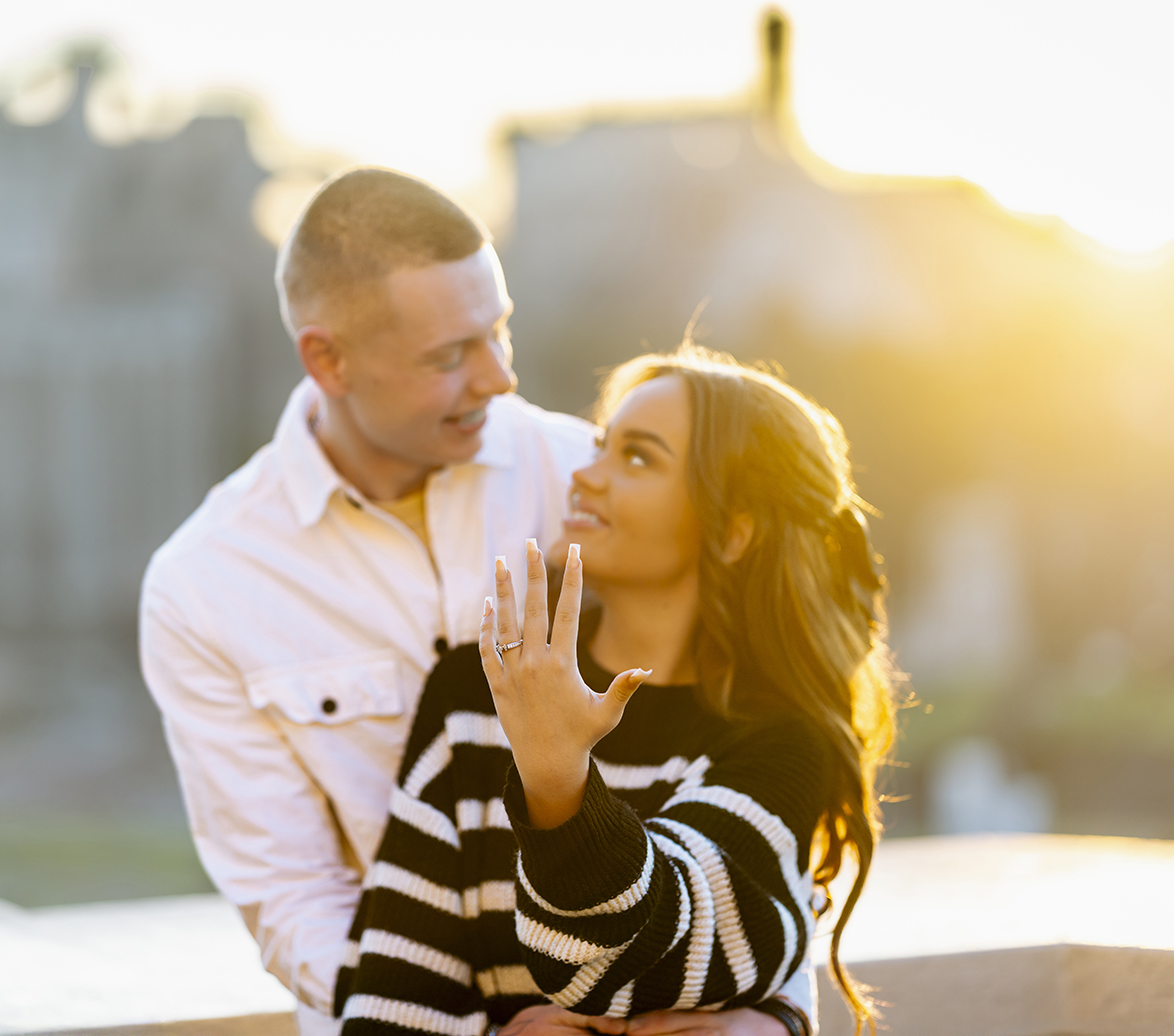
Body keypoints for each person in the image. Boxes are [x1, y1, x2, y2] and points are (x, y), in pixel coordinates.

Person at [139, 170, 816, 1036]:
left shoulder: (584, 479)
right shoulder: (206, 585)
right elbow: (291, 898)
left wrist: (771, 1017)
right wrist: (481, 1028)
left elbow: (762, 771)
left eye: (499, 330)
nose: (498, 378)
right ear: (328, 359)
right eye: (447, 356)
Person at [335, 346, 902, 1036]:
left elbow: (636, 958)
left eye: (638, 458)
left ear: (732, 531)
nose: (584, 476)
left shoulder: (780, 737)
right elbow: (390, 1007)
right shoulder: (475, 690)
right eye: (603, 446)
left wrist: (556, 782)